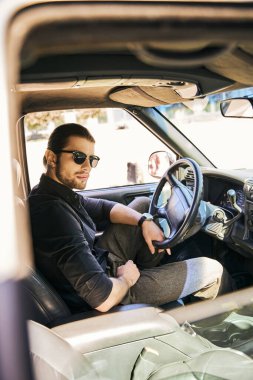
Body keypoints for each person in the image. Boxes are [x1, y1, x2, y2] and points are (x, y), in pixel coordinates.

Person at [28, 123, 233, 314]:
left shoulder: (50, 194)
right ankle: (213, 329)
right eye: (79, 157)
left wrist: (145, 222)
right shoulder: (53, 215)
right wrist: (127, 279)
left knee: (143, 207)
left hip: (100, 264)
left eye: (92, 160)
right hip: (111, 292)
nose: (87, 167)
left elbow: (103, 208)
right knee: (212, 270)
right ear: (52, 157)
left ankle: (152, 268)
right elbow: (102, 298)